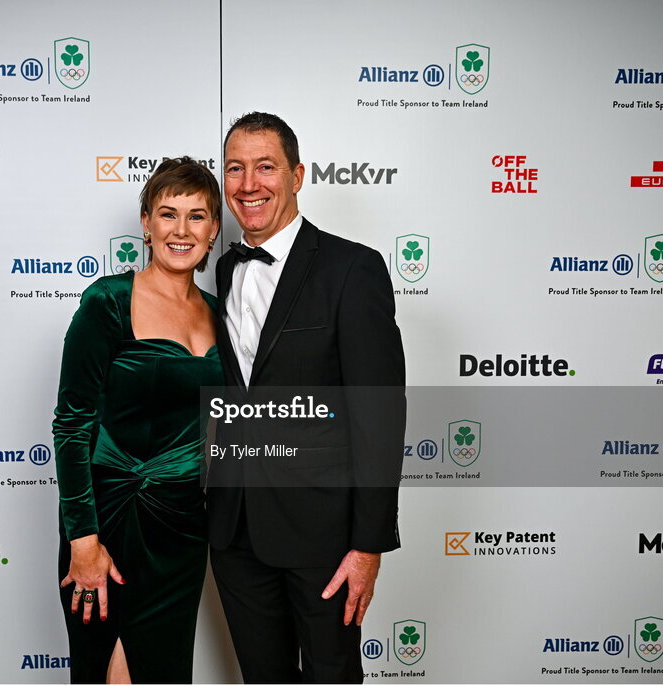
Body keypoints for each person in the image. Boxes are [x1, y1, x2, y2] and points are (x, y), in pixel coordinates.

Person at [207, 112, 407, 683]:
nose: (249, 185)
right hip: (234, 532)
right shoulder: (222, 271)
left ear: (297, 174)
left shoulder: (353, 269)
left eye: (265, 167)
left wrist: (368, 545)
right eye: (236, 169)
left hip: (324, 536)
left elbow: (380, 417)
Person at [53, 156, 222, 684]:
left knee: (165, 671)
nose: (181, 229)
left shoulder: (221, 310)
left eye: (197, 216)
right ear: (146, 224)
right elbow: (72, 422)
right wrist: (83, 540)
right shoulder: (108, 301)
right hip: (111, 522)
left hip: (184, 527)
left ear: (214, 230)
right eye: (167, 214)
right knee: (108, 668)